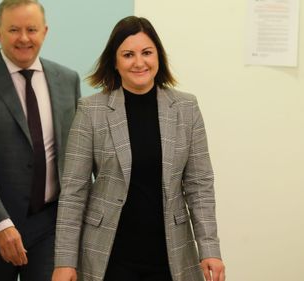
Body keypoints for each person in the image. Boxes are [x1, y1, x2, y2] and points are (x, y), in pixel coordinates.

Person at [52, 16, 225, 281]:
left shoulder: (186, 108)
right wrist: (65, 261)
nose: (139, 62)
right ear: (115, 62)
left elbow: (200, 186)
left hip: (171, 255)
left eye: (146, 52)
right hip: (108, 256)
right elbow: (74, 190)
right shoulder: (91, 111)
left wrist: (210, 249)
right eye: (128, 54)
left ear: (158, 56)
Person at [0, 0, 81, 280]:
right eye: (14, 29)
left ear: (45, 31)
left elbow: (77, 155)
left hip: (49, 227)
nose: (24, 38)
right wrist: (0, 224)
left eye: (31, 29)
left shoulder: (67, 80)